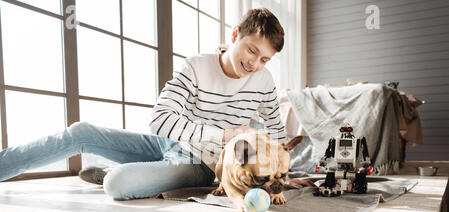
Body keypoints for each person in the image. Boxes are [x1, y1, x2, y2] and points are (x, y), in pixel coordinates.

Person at [0, 8, 313, 200]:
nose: (255, 63)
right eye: (251, 50)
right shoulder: (196, 66)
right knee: (81, 132)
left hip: (198, 165)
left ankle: (121, 172)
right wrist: (223, 135)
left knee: (117, 184)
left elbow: (275, 134)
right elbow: (160, 119)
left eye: (264, 59)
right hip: (166, 142)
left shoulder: (264, 82)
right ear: (235, 36)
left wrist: (283, 176)